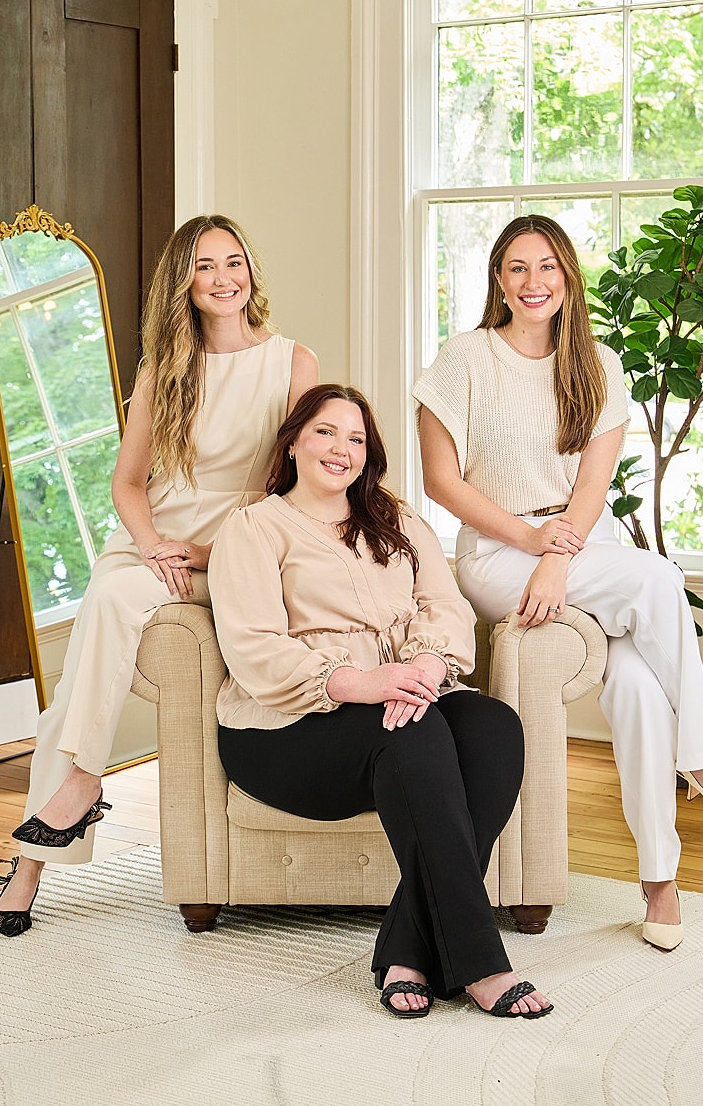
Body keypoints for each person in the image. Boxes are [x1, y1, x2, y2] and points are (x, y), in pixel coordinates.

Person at [413, 213, 703, 952]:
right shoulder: (464, 357)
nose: (533, 282)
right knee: (658, 577)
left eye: (547, 267)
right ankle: (702, 757)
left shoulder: (598, 363)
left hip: (575, 547)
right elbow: (440, 483)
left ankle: (659, 882)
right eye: (516, 268)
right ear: (498, 281)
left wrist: (558, 554)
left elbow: (592, 489)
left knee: (637, 688)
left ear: (568, 276)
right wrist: (531, 541)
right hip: (495, 553)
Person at [0, 214, 319, 936]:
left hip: (236, 551)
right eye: (206, 266)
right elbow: (129, 483)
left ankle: (51, 828)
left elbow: (292, 493)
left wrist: (205, 554)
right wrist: (152, 545)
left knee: (100, 617)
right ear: (185, 284)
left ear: (251, 272)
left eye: (235, 261)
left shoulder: (293, 364)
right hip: (154, 546)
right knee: (100, 617)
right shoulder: (162, 370)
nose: (225, 277)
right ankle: (61, 810)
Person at [209, 383, 553, 1019]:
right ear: (292, 442)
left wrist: (424, 662)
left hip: (398, 700)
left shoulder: (396, 519)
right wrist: (360, 682)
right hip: (286, 730)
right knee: (412, 734)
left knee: (492, 725)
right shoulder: (253, 527)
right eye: (325, 432)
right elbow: (253, 648)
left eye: (357, 438)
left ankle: (406, 948)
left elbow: (445, 607)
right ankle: (481, 963)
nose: (342, 449)